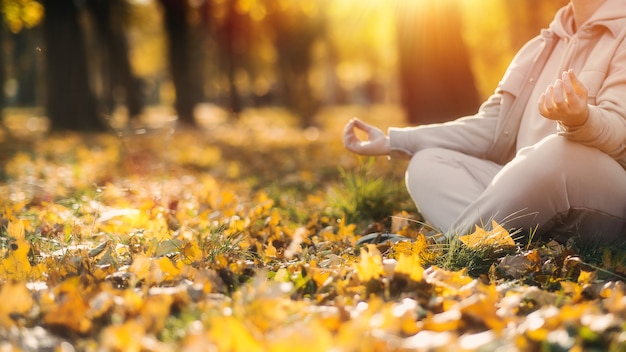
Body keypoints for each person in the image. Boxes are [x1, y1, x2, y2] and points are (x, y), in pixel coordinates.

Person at [343, 0, 626, 245]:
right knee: (427, 163)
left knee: (558, 153)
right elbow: (490, 127)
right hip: (526, 195)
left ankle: (453, 246)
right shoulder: (539, 47)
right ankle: (501, 246)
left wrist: (581, 118)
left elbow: (619, 131)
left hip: (604, 197)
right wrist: (394, 142)